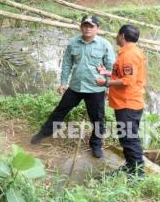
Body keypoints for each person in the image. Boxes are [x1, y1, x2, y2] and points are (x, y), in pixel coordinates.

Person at [30, 15, 115, 158]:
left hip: (96, 88)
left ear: (97, 29)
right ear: (81, 27)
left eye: (91, 26)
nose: (88, 28)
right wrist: (63, 83)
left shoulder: (105, 44)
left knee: (98, 118)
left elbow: (111, 67)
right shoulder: (73, 43)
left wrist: (108, 86)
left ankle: (96, 145)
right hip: (75, 87)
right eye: (85, 25)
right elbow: (67, 64)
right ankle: (43, 134)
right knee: (59, 111)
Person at [96, 24, 147, 176]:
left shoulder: (129, 55)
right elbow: (124, 73)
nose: (116, 37)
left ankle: (138, 173)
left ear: (123, 36)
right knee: (127, 138)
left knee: (130, 139)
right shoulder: (130, 52)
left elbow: (127, 81)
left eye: (118, 35)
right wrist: (106, 72)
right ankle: (130, 166)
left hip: (128, 103)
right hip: (126, 102)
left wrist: (105, 83)